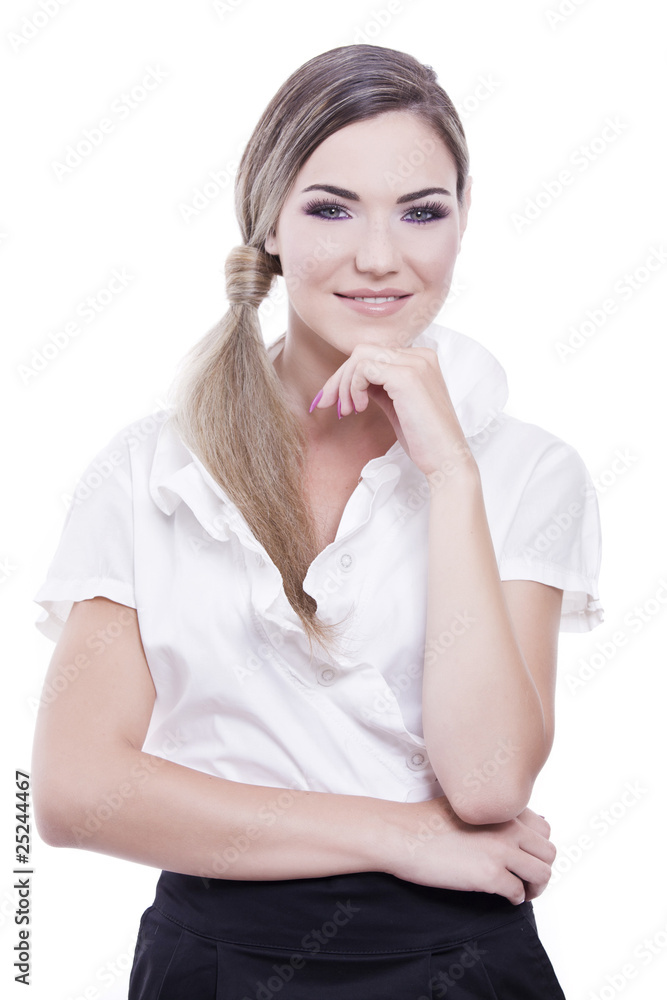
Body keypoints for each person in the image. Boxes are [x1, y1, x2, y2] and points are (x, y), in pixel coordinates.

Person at [31, 44, 603, 998]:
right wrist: (398, 836)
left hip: (456, 965)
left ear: (462, 228)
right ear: (269, 228)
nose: (379, 257)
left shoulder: (527, 469)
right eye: (330, 208)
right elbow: (76, 794)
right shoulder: (147, 470)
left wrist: (451, 475)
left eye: (422, 212)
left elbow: (491, 781)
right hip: (213, 963)